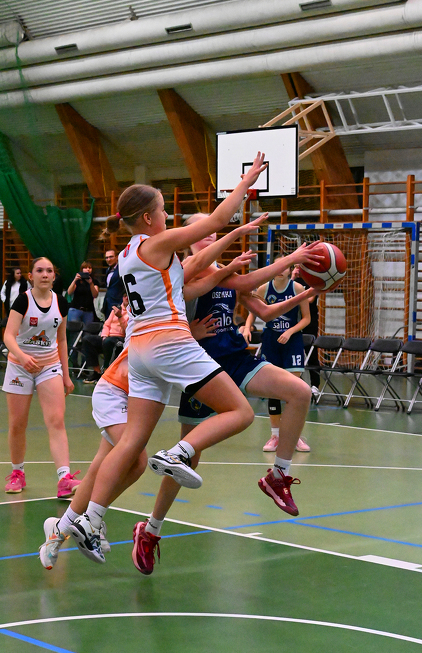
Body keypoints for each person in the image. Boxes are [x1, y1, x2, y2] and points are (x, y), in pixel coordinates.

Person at [38, 221, 258, 569]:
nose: (209, 238)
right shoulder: (164, 278)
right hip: (117, 388)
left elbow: (213, 277)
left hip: (135, 386)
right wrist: (232, 234)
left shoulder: (171, 284)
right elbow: (199, 268)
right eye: (203, 233)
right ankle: (87, 520)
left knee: (109, 463)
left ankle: (62, 528)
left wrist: (230, 261)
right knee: (133, 460)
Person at [130, 234, 322, 575]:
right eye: (201, 233)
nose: (207, 237)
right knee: (188, 459)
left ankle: (279, 475)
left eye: (212, 233)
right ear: (189, 242)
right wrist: (190, 330)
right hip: (198, 366)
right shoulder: (184, 272)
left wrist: (305, 295)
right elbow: (164, 316)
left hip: (234, 358)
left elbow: (265, 311)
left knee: (299, 392)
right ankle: (151, 529)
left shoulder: (227, 273)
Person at [2, 257, 82, 497]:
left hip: (50, 367)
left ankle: (64, 478)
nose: (45, 274)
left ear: (54, 276)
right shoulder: (23, 301)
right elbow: (8, 336)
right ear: (31, 276)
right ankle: (17, 473)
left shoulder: (61, 303)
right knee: (18, 424)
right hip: (19, 367)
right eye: (39, 270)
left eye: (49, 270)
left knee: (56, 421)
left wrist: (66, 375)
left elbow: (62, 340)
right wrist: (22, 356)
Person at [242, 258, 312, 453]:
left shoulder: (297, 288)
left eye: (284, 267)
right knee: (273, 390)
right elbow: (252, 311)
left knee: (295, 390)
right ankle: (275, 435)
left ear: (290, 270)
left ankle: (295, 436)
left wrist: (290, 331)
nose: (280, 270)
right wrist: (247, 327)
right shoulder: (264, 289)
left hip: (292, 341)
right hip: (271, 341)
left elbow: (306, 318)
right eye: (277, 267)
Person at [82, 295, 129, 384]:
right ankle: (97, 372)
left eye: (128, 297)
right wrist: (104, 336)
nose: (126, 298)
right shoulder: (116, 309)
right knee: (87, 340)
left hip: (121, 338)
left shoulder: (132, 313)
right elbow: (107, 324)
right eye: (124, 296)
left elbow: (127, 330)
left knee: (109, 342)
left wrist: (120, 317)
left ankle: (106, 373)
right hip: (108, 337)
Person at [292, 265, 321, 399]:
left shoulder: (312, 280)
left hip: (310, 320)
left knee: (311, 352)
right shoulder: (292, 282)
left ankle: (315, 384)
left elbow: (310, 299)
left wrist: (296, 296)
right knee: (293, 353)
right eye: (295, 266)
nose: (298, 268)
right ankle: (294, 383)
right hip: (295, 320)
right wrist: (292, 277)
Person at [103, 248, 124, 319]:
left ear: (117, 257)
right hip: (107, 304)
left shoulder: (121, 269)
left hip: (118, 305)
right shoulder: (108, 270)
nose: (108, 259)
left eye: (111, 257)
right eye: (106, 258)